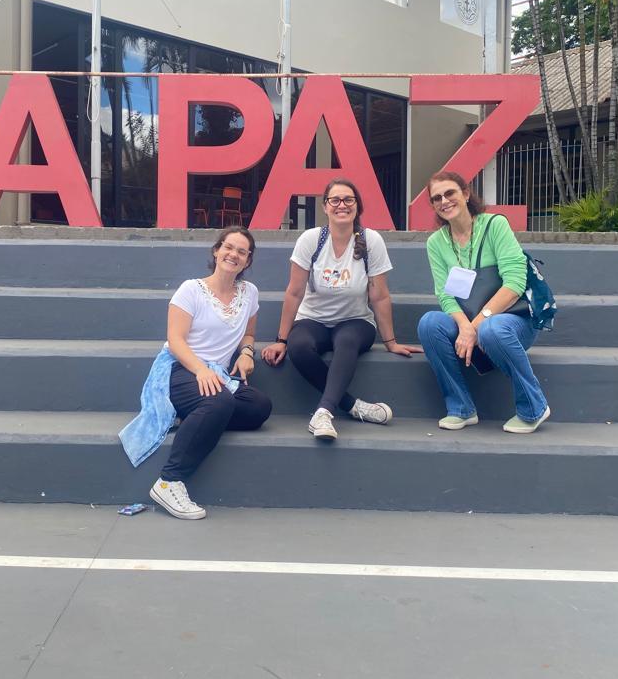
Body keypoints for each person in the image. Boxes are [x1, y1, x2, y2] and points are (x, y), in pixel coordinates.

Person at [261, 179, 421, 441]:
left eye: (349, 199)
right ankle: (353, 406)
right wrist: (281, 340)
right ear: (325, 206)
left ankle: (323, 412)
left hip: (356, 321)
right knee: (298, 346)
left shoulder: (372, 240)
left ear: (357, 206)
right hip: (313, 319)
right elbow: (294, 292)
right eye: (334, 200)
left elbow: (379, 296)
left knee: (346, 340)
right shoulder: (311, 239)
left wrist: (390, 341)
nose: (341, 205)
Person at [143, 226, 272, 519]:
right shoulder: (191, 289)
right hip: (180, 369)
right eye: (228, 247)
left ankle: (194, 417)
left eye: (242, 251)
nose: (233, 255)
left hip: (218, 376)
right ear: (216, 251)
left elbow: (248, 334)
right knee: (220, 401)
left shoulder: (249, 293)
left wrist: (247, 353)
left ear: (248, 261)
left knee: (259, 407)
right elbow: (175, 340)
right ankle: (169, 481)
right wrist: (200, 370)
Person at [416, 170, 551, 434]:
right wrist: (465, 327)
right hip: (470, 321)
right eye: (436, 198)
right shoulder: (436, 242)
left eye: (450, 193)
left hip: (513, 321)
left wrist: (473, 327)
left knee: (493, 328)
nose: (444, 201)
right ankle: (461, 408)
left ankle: (533, 407)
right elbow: (445, 295)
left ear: (465, 194)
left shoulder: (495, 225)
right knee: (429, 323)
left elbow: (514, 285)